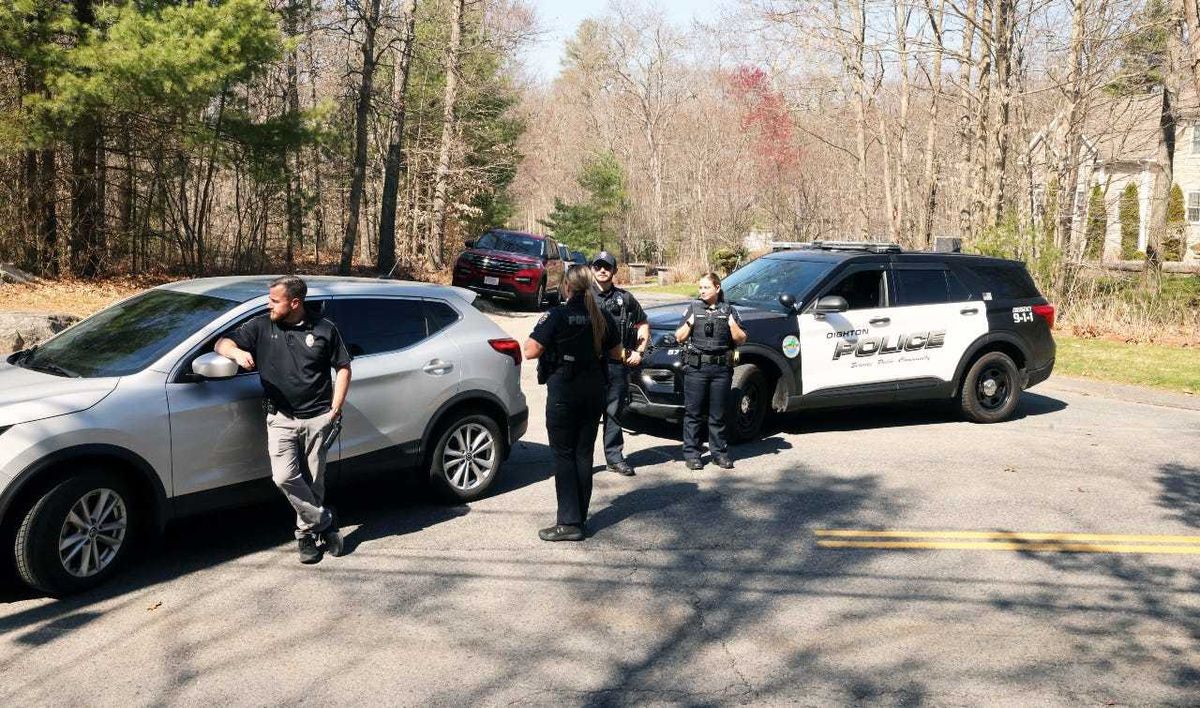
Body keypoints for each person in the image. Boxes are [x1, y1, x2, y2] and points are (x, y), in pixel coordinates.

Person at [215, 276, 352, 564]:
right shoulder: (261, 326)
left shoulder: (324, 329)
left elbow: (343, 367)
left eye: (274, 301)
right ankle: (325, 522)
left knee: (314, 481)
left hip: (318, 417)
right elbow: (221, 343)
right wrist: (236, 352)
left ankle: (305, 535)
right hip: (280, 418)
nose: (269, 305)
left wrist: (335, 409)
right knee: (284, 477)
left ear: (295, 303)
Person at [524, 265, 622, 541]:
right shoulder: (602, 315)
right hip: (593, 392)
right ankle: (579, 517)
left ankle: (569, 523)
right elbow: (617, 353)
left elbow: (530, 351)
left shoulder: (557, 315)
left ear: (567, 286)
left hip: (564, 392)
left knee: (564, 455)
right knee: (583, 454)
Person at [674, 272, 747, 470]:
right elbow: (679, 337)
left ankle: (719, 454)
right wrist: (690, 322)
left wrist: (731, 323)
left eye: (706, 287)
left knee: (718, 414)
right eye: (700, 287)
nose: (702, 291)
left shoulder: (728, 309)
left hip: (721, 369)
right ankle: (692, 454)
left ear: (717, 288)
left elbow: (741, 339)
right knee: (694, 413)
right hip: (697, 368)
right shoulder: (693, 308)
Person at [591, 251, 649, 477]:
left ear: (614, 270)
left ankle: (614, 458)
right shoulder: (583, 296)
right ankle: (582, 460)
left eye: (607, 267)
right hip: (589, 367)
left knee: (614, 412)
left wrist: (639, 352)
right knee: (587, 415)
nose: (602, 270)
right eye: (598, 266)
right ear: (592, 269)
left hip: (617, 365)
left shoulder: (625, 299)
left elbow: (643, 323)